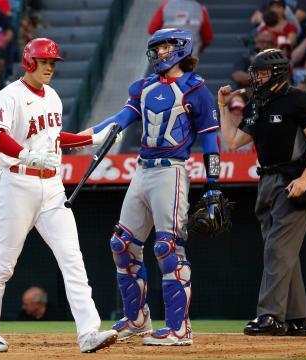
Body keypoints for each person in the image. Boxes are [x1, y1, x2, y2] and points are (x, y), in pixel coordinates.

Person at [80, 28, 228, 346]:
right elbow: (120, 119)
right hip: (142, 170)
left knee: (167, 248)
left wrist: (214, 186)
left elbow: (211, 140)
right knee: (122, 245)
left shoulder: (196, 89)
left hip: (171, 173)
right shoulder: (144, 86)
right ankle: (137, 319)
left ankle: (179, 329)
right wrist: (84, 136)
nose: (159, 53)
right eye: (156, 48)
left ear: (181, 49)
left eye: (165, 47)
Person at [0, 37, 119, 354]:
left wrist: (89, 139)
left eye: (53, 62)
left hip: (53, 187)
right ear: (29, 62)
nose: (50, 67)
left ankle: (88, 333)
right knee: (4, 265)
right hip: (17, 184)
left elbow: (52, 137)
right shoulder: (9, 96)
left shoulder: (53, 96)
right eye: (44, 61)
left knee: (73, 260)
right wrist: (27, 155)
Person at [219, 48, 306, 337]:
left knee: (277, 249)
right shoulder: (258, 104)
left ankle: (270, 316)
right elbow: (232, 140)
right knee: (282, 252)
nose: (257, 78)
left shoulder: (300, 100)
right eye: (256, 73)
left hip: (292, 180)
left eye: (262, 73)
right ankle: (297, 319)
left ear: (278, 72)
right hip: (265, 181)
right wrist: (223, 107)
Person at [147, 0, 213, 54]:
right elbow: (207, 37)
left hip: (168, 54)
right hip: (190, 54)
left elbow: (151, 29)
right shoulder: (200, 9)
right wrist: (200, 47)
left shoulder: (165, 6)